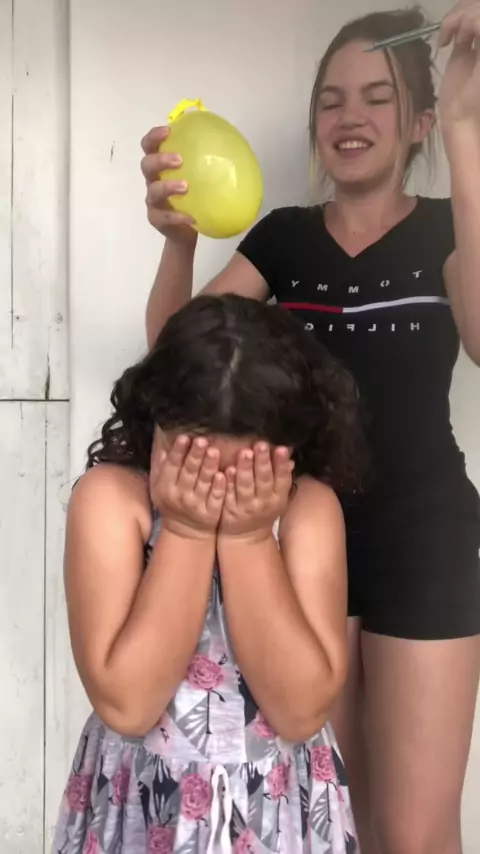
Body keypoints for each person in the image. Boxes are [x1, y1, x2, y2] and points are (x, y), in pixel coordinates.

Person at [139, 4, 480, 854]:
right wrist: (178, 242)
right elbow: (175, 358)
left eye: (377, 97)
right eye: (331, 100)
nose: (349, 116)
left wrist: (468, 132)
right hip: (301, 539)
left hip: (426, 541)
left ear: (420, 122)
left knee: (415, 832)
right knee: (332, 820)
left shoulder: (451, 225)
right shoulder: (284, 238)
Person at [53, 294, 365, 854]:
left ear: (289, 447)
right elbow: (128, 704)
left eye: (245, 472)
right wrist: (187, 531)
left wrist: (249, 539)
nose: (216, 493)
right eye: (194, 465)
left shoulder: (307, 511)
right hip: (144, 808)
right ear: (156, 423)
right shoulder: (111, 503)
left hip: (277, 810)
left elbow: (299, 711)